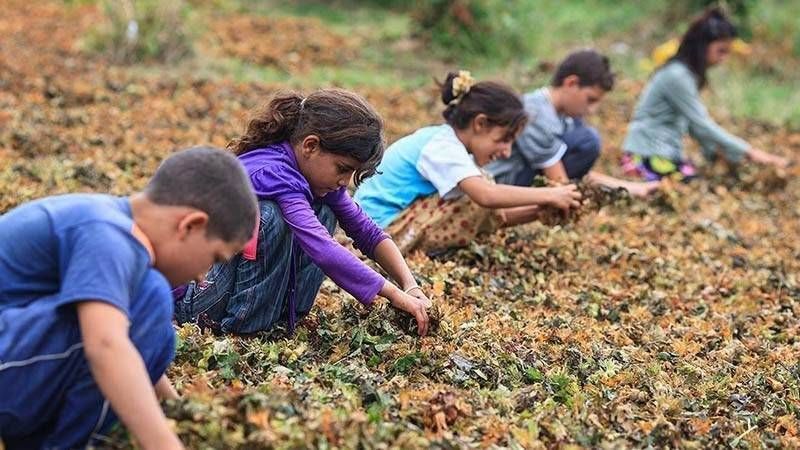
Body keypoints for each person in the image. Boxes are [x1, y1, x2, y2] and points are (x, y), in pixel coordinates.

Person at [0, 147, 258, 449]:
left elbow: (142, 351)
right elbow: (107, 345)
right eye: (213, 257)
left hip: (17, 363)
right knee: (152, 297)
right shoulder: (107, 234)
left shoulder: (110, 223)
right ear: (191, 225)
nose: (203, 277)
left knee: (158, 329)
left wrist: (179, 413)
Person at [175, 89, 432, 336]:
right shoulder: (273, 173)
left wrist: (410, 285)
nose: (345, 181)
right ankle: (245, 328)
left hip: (223, 289)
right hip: (196, 298)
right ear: (310, 146)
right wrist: (394, 295)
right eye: (342, 168)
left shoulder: (313, 176)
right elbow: (323, 248)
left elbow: (367, 232)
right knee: (269, 217)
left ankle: (283, 317)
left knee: (326, 209)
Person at [354, 71, 582, 254]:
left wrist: (539, 210)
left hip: (384, 225)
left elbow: (490, 212)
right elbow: (486, 197)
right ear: (480, 123)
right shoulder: (442, 146)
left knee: (478, 190)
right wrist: (551, 194)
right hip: (375, 231)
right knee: (478, 193)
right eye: (503, 140)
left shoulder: (450, 145)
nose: (506, 152)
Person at [622, 7, 789, 182]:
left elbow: (695, 128)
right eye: (721, 51)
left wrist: (719, 154)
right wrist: (751, 153)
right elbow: (702, 124)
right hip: (647, 155)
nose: (724, 58)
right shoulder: (677, 76)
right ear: (703, 46)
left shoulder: (685, 75)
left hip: (662, 152)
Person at [486, 50, 660, 197]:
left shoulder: (564, 118)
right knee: (588, 140)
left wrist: (633, 189)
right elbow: (559, 181)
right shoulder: (536, 113)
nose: (592, 109)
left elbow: (576, 174)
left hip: (526, 177)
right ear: (571, 83)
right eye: (590, 99)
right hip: (503, 183)